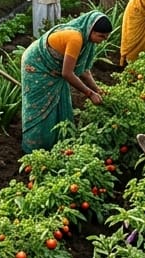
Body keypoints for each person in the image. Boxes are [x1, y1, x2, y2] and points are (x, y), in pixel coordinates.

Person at [21, 12, 112, 153]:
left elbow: (83, 71)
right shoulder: (75, 38)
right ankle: (35, 148)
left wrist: (97, 89)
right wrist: (89, 93)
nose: (103, 40)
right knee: (40, 108)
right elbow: (67, 73)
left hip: (55, 69)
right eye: (101, 36)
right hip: (37, 66)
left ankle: (57, 144)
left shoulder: (87, 40)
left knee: (58, 101)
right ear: (90, 30)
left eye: (106, 37)